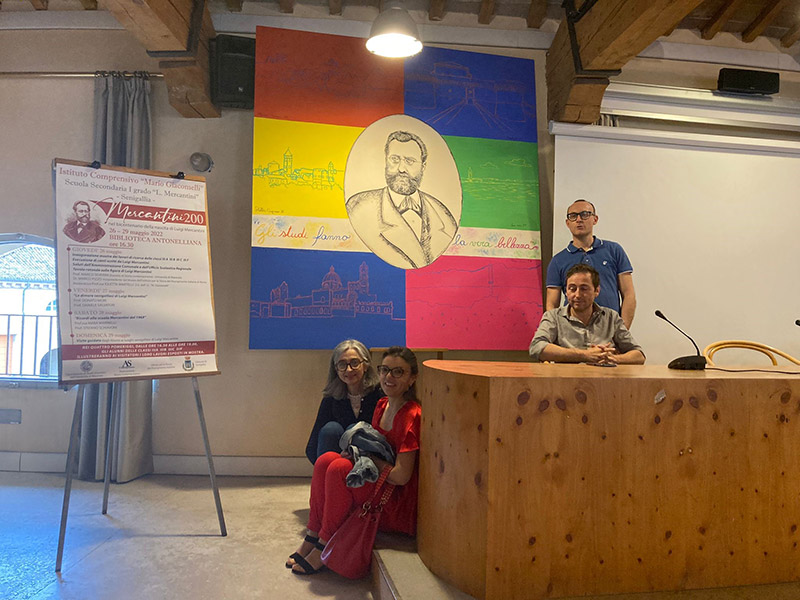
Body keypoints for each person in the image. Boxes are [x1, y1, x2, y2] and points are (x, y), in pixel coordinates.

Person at [287, 346, 422, 575]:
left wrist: (369, 458)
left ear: (412, 378)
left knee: (339, 468)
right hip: (379, 482)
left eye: (398, 372)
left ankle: (325, 543)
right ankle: (313, 534)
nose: (389, 377)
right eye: (385, 370)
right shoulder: (382, 405)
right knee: (326, 460)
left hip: (394, 500)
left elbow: (401, 476)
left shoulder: (412, 415)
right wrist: (359, 453)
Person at [346, 130, 458, 269]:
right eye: (394, 159)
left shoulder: (443, 214)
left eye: (410, 161)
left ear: (423, 167)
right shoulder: (358, 207)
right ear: (386, 161)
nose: (401, 169)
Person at [546, 199, 636, 329]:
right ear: (567, 223)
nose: (579, 219)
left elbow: (629, 294)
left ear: (595, 219)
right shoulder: (557, 261)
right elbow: (551, 305)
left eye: (585, 214)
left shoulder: (614, 250)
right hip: (572, 331)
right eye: (573, 216)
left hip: (610, 329)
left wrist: (622, 331)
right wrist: (556, 332)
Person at [530, 264, 645, 365]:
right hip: (567, 379)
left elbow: (639, 355)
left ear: (596, 291)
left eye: (584, 289)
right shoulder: (553, 317)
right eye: (572, 289)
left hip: (604, 379)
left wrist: (612, 359)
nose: (577, 295)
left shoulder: (611, 317)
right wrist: (584, 355)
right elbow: (536, 347)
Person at [305, 339, 383, 464]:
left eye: (355, 363)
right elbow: (311, 448)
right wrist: (336, 458)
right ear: (336, 369)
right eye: (342, 364)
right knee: (331, 429)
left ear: (366, 365)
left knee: (356, 430)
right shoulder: (330, 399)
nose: (349, 370)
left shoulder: (380, 395)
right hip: (335, 464)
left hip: (369, 462)